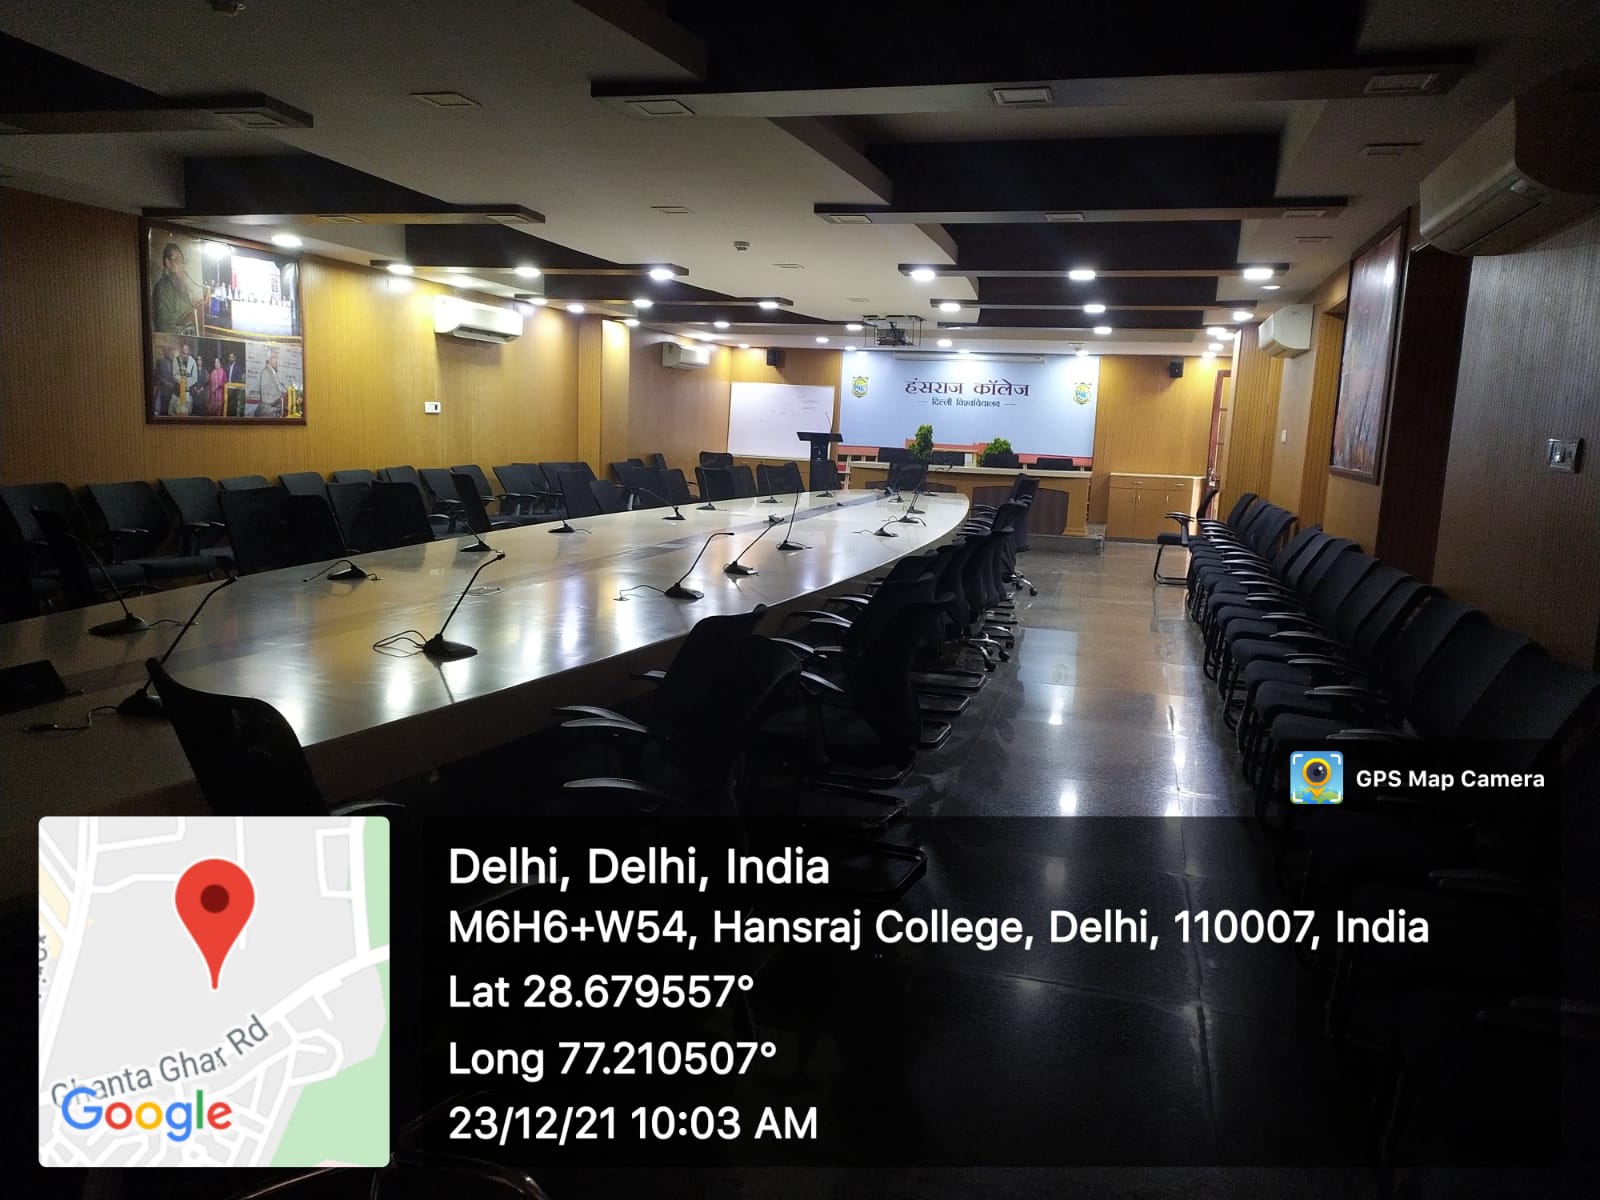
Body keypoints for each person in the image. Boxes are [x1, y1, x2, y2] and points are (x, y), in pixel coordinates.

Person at [150, 242, 201, 334]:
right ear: (168, 263)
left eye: (182, 261)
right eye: (177, 260)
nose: (182, 265)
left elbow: (185, 313)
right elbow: (164, 326)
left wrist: (196, 307)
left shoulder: (180, 286)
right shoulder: (162, 288)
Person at [255, 347, 284, 417]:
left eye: (277, 357)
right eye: (274, 357)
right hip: (268, 413)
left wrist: (282, 397)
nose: (276, 360)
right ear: (268, 359)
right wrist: (279, 400)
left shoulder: (273, 372)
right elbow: (265, 397)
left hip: (275, 412)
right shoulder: (266, 372)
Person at [172, 342, 199, 415]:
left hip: (188, 393)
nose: (185, 355)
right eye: (184, 353)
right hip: (177, 392)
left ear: (189, 352)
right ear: (181, 351)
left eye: (187, 353)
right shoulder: (176, 360)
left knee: (187, 414)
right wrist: (182, 381)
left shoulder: (193, 362)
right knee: (174, 413)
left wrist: (187, 383)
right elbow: (174, 375)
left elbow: (195, 377)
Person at [152, 342, 177, 416]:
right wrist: (166, 383)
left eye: (169, 350)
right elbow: (158, 375)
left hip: (172, 390)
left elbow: (175, 374)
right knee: (164, 409)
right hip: (164, 389)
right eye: (166, 350)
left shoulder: (173, 361)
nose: (168, 351)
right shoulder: (159, 361)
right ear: (163, 351)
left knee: (171, 410)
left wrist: (174, 384)